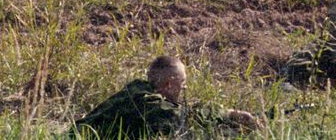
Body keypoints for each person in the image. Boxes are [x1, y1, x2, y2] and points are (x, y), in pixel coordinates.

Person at [72, 55, 259, 137]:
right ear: (169, 84)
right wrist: (231, 116)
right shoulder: (150, 104)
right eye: (182, 84)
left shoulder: (137, 89)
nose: (184, 89)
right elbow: (186, 118)